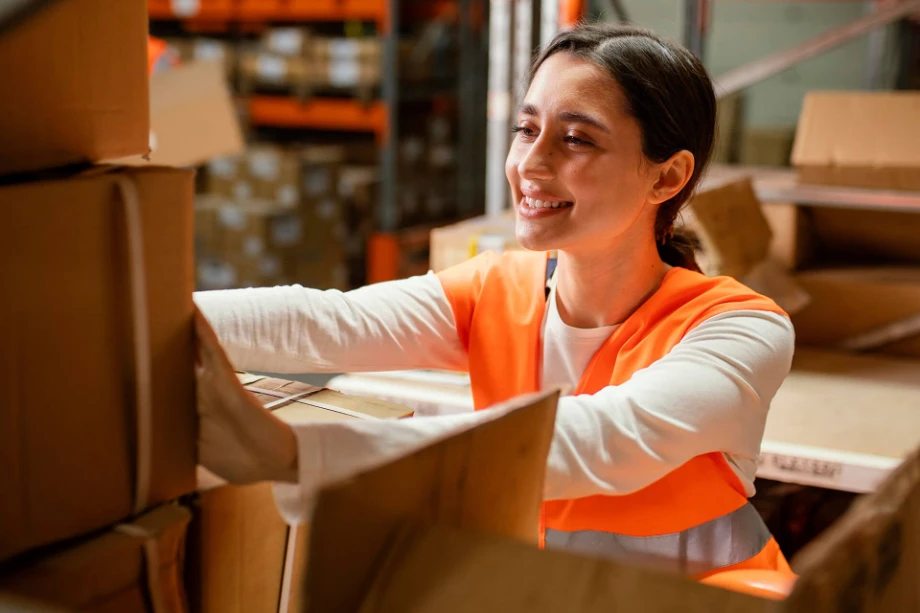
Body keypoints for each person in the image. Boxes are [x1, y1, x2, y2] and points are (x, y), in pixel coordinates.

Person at [194, 23, 795, 578]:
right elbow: (321, 322)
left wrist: (290, 452)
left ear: (666, 177)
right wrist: (140, 314)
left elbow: (603, 440)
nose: (530, 164)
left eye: (577, 139)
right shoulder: (499, 291)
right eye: (527, 129)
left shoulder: (740, 330)